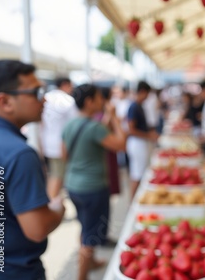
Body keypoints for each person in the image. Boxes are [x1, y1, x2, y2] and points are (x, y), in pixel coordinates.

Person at [0, 60, 65, 280]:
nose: (44, 99)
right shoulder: (18, 154)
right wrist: (58, 208)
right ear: (5, 102)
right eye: (36, 92)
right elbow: (37, 228)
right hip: (13, 270)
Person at [62, 84, 126, 280]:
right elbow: (121, 144)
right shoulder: (94, 128)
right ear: (89, 102)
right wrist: (114, 117)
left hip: (73, 185)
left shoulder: (71, 124)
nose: (103, 102)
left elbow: (64, 155)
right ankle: (82, 276)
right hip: (93, 188)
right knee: (90, 235)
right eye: (99, 98)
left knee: (85, 226)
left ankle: (91, 261)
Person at [40, 76, 78, 199]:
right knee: (57, 175)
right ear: (65, 85)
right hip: (61, 145)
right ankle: (51, 202)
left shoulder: (46, 98)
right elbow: (75, 124)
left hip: (47, 144)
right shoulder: (68, 100)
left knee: (55, 174)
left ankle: (54, 201)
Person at [126, 81, 159, 199]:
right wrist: (148, 135)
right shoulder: (134, 106)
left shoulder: (139, 106)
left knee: (140, 172)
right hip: (137, 143)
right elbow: (131, 129)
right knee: (137, 174)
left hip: (141, 142)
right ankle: (133, 201)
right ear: (142, 92)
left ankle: (136, 199)